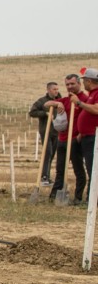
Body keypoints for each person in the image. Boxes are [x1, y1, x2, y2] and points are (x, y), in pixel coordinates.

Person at [46, 74, 87, 203]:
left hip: (75, 140)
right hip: (62, 139)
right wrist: (57, 102)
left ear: (79, 84)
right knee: (60, 170)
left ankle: (78, 197)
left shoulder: (83, 99)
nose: (70, 87)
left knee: (78, 170)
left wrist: (80, 135)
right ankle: (54, 196)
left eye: (72, 84)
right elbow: (47, 104)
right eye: (67, 84)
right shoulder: (64, 100)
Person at [68, 68, 98, 202]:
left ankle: (93, 199)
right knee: (91, 168)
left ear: (89, 81)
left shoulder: (96, 93)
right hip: (87, 136)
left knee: (94, 169)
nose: (83, 83)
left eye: (84, 80)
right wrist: (81, 132)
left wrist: (79, 103)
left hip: (93, 137)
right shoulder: (92, 94)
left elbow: (96, 110)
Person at [29, 82, 61, 186]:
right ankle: (44, 177)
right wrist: (45, 113)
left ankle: (47, 175)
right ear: (48, 90)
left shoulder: (59, 101)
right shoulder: (42, 101)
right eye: (54, 89)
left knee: (52, 154)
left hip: (57, 131)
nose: (56, 91)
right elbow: (32, 112)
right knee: (48, 152)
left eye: (57, 89)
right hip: (46, 130)